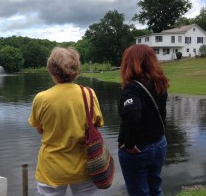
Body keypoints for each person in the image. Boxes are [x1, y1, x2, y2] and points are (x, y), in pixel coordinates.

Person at [29, 47, 104, 196]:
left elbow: (40, 130)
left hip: (51, 169)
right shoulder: (89, 94)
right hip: (85, 166)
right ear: (76, 69)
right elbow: (96, 125)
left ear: (50, 69)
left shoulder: (42, 98)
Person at [118, 44, 169, 196]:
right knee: (155, 189)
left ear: (129, 62)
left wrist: (130, 143)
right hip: (159, 143)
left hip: (138, 149)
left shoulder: (132, 88)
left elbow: (134, 116)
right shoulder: (159, 83)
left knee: (139, 193)